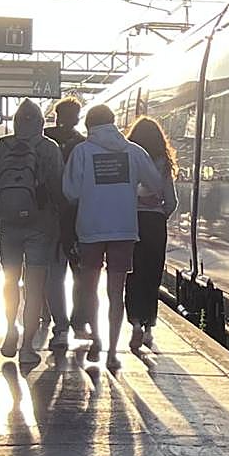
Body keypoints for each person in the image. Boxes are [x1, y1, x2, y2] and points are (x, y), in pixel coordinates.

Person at [63, 104, 163, 369]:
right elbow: (156, 185)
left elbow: (70, 192)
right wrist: (132, 191)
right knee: (115, 293)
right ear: (114, 122)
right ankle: (112, 354)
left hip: (90, 229)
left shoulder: (82, 152)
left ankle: (96, 338)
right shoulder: (133, 151)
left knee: (90, 288)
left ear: (89, 126)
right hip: (124, 229)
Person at [0, 99, 64, 367]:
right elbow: (58, 189)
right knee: (34, 285)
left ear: (16, 123)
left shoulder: (1, 147)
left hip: (8, 226)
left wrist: (0, 213)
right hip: (41, 227)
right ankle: (27, 346)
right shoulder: (49, 148)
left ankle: (10, 328)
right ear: (41, 124)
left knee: (10, 280)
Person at [124, 116, 178, 353]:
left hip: (131, 222)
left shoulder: (127, 158)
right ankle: (148, 328)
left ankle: (134, 322)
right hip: (155, 224)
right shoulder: (163, 164)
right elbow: (172, 201)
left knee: (132, 274)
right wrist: (159, 214)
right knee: (152, 275)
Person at [43, 97, 86, 345]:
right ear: (78, 118)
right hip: (76, 217)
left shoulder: (44, 140)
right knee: (79, 273)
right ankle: (76, 322)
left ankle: (59, 326)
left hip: (47, 215)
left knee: (53, 273)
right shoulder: (83, 145)